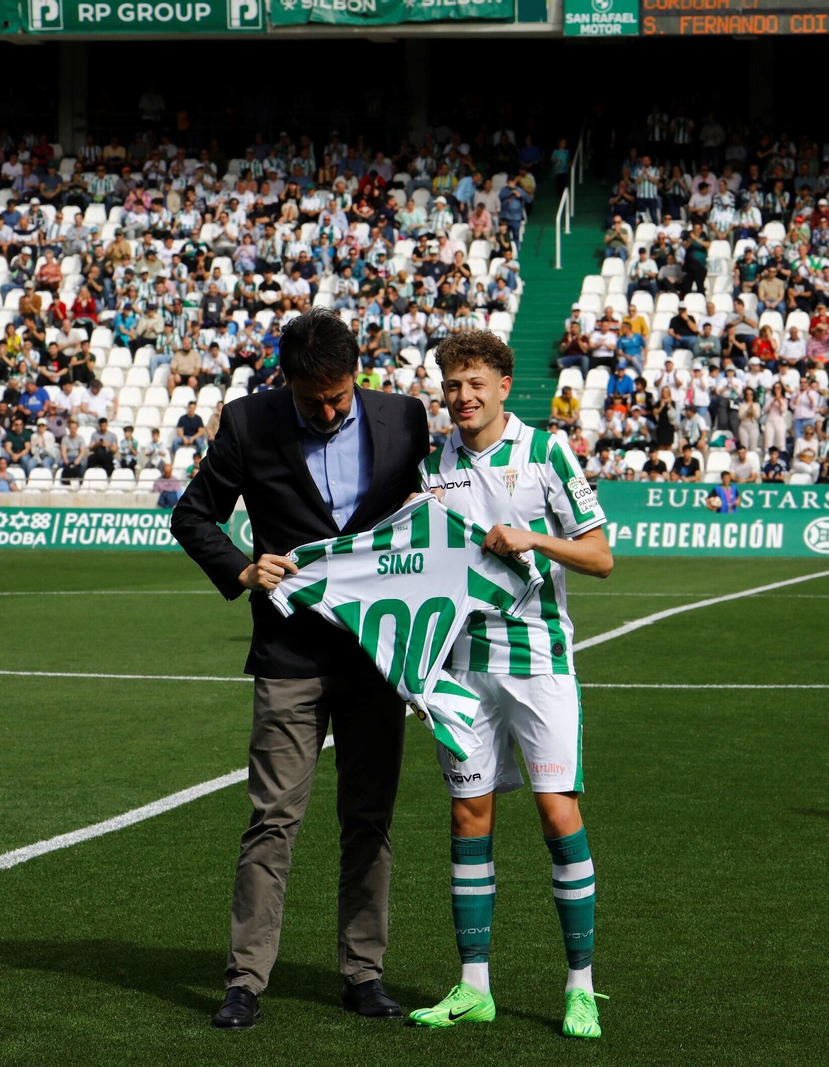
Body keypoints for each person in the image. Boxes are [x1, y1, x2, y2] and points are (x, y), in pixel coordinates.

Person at [171, 308, 430, 1030]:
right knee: (272, 819)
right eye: (315, 398)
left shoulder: (406, 419)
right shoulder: (249, 424)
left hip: (379, 656)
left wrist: (428, 646)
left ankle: (363, 972)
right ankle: (245, 979)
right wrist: (244, 566)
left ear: (357, 375)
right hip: (289, 655)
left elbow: (435, 520)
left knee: (369, 818)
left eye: (340, 395)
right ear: (286, 378)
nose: (329, 408)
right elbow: (192, 516)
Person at [410, 330, 613, 1040]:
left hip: (540, 664)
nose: (462, 397)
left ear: (502, 385)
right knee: (469, 816)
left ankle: (580, 986)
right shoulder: (433, 465)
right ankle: (474, 985)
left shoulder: (547, 452)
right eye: (452, 386)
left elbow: (600, 556)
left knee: (558, 812)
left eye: (474, 383)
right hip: (462, 667)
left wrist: (534, 539)